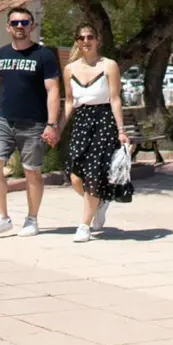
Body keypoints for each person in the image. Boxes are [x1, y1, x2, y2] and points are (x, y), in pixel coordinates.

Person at [0, 8, 62, 239]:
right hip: (4, 120)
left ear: (32, 27)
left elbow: (52, 90)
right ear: (8, 27)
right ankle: (2, 218)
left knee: (31, 172)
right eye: (15, 22)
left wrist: (51, 124)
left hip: (34, 123)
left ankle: (32, 219)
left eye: (24, 22)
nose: (19, 26)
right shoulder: (1, 54)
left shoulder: (43, 56)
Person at [61, 23, 133, 243]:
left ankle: (84, 225)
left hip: (103, 120)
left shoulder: (109, 65)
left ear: (97, 40)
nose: (85, 41)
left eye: (90, 37)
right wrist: (57, 127)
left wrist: (121, 130)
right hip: (81, 122)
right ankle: (99, 202)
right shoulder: (70, 69)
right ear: (76, 41)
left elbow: (115, 99)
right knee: (74, 175)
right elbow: (70, 101)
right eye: (81, 37)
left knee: (93, 173)